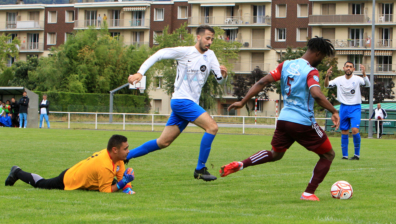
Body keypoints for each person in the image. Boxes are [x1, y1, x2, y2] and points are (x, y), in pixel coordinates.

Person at [220, 36, 340, 201]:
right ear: (318, 53)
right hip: (303, 122)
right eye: (323, 57)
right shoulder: (311, 71)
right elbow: (316, 94)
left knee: (276, 154)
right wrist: (334, 110)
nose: (321, 61)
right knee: (328, 155)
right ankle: (308, 193)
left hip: (283, 119)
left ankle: (242, 164)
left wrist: (242, 101)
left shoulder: (286, 65)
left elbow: (262, 82)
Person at [127, 25, 228, 181]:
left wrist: (223, 76)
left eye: (212, 39)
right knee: (212, 127)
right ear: (198, 37)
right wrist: (140, 72)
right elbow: (160, 54)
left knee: (163, 142)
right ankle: (200, 169)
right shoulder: (185, 52)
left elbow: (219, 80)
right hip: (182, 101)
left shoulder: (211, 55)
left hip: (188, 103)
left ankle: (126, 156)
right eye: (207, 38)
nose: (210, 42)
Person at [5, 135, 135, 195]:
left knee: (113, 182)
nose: (128, 151)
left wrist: (127, 187)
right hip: (69, 179)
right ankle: (17, 172)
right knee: (41, 184)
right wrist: (123, 183)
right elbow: (105, 191)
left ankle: (17, 172)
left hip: (77, 172)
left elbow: (120, 178)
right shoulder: (105, 165)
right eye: (125, 149)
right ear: (115, 150)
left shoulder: (117, 158)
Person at [325, 62, 370, 160]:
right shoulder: (339, 79)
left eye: (350, 67)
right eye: (347, 66)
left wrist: (364, 74)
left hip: (355, 107)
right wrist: (327, 76)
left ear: (353, 69)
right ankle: (345, 156)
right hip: (343, 107)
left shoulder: (357, 79)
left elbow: (368, 84)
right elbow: (327, 85)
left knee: (354, 130)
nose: (348, 68)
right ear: (343, 68)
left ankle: (356, 155)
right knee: (344, 131)